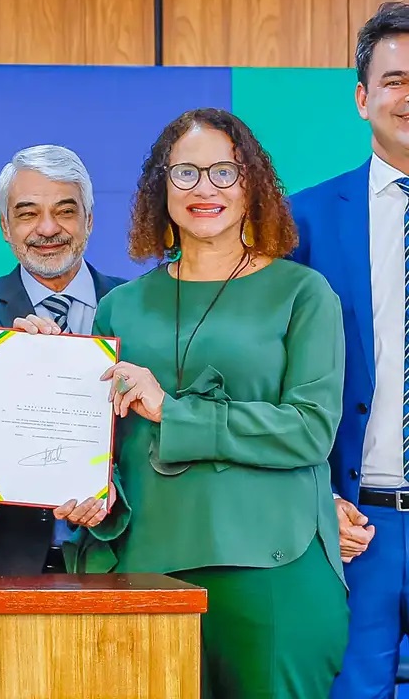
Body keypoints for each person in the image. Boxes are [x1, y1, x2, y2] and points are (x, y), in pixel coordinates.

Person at [18, 108, 349, 697]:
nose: (205, 189)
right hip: (146, 563)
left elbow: (310, 430)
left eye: (224, 172)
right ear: (160, 188)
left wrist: (173, 410)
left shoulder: (303, 293)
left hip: (272, 567)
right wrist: (46, 375)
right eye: (186, 174)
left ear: (252, 184)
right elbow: (105, 447)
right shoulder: (123, 305)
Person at [289, 0, 409, 698]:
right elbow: (266, 375)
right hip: (353, 529)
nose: (407, 96)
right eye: (393, 80)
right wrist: (313, 499)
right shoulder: (302, 220)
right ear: (363, 98)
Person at [0, 144, 127, 574]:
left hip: (121, 557)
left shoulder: (138, 308)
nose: (47, 228)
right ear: (5, 227)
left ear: (89, 221)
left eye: (65, 211)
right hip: (3, 560)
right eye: (26, 214)